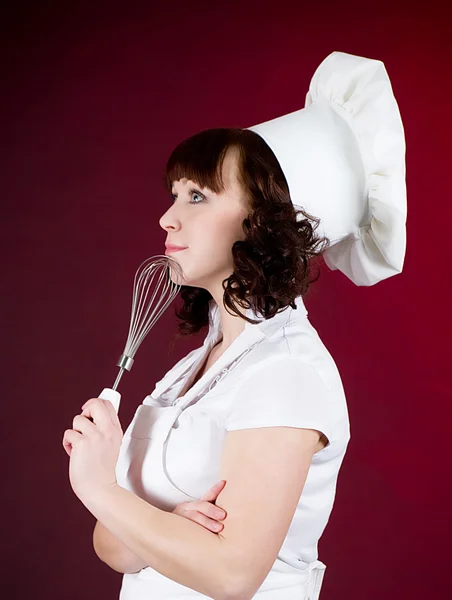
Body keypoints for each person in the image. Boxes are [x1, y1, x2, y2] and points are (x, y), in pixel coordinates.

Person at [92, 51, 407, 599]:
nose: (168, 217)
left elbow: (232, 575)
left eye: (197, 196)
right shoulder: (193, 369)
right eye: (174, 195)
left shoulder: (287, 370)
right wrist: (159, 526)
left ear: (265, 222)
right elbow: (113, 548)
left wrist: (99, 487)